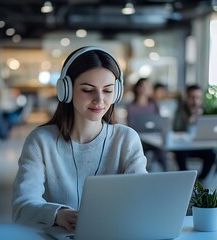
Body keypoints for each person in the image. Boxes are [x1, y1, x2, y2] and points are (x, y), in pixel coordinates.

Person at [12, 46, 148, 232]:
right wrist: (57, 215)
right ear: (65, 90)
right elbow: (22, 207)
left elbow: (142, 199)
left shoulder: (126, 139)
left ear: (117, 93)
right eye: (87, 90)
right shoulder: (41, 141)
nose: (99, 100)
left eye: (107, 91)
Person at [172, 84, 215, 180]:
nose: (195, 101)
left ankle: (200, 179)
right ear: (186, 98)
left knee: (211, 154)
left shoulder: (206, 111)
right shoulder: (180, 111)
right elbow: (175, 129)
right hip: (184, 146)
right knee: (180, 154)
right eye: (192, 97)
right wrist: (189, 121)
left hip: (200, 146)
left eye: (198, 98)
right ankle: (188, 179)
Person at [126, 78, 168, 171]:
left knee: (162, 149)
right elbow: (130, 126)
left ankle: (166, 173)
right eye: (142, 86)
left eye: (148, 86)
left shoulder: (154, 104)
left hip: (154, 138)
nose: (145, 88)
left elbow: (159, 121)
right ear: (137, 88)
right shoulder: (131, 106)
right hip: (138, 138)